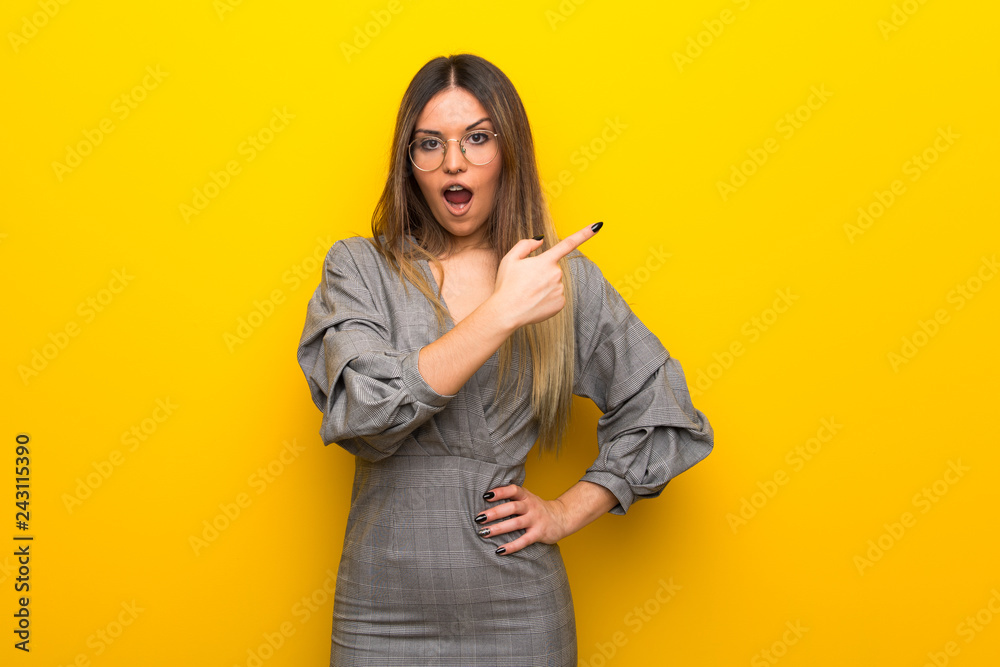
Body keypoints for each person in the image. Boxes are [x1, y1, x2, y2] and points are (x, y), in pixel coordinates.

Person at [296, 53, 714, 667]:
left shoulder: (559, 284)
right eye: (429, 144)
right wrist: (500, 311)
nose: (454, 162)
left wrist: (567, 510)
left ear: (508, 151)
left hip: (518, 614)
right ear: (408, 164)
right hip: (378, 614)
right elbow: (364, 414)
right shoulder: (360, 268)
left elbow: (663, 407)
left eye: (478, 138)